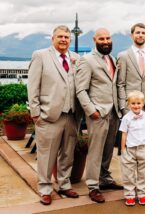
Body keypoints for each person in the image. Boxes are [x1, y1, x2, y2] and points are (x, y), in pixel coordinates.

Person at [27, 25, 80, 205]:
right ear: (52, 38)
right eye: (60, 37)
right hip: (48, 115)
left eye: (66, 37)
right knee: (46, 155)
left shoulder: (76, 58)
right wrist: (36, 114)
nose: (64, 39)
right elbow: (32, 86)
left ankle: (64, 184)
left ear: (70, 40)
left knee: (67, 153)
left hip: (71, 115)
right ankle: (45, 188)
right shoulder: (40, 56)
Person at [75, 28, 122, 203]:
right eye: (102, 38)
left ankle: (104, 178)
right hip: (97, 113)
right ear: (95, 40)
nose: (106, 41)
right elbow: (80, 89)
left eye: (108, 38)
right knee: (95, 151)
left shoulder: (112, 59)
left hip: (113, 112)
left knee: (109, 149)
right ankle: (93, 186)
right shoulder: (86, 60)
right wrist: (91, 111)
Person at [117, 23, 145, 191]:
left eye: (143, 33)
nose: (140, 35)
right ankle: (130, 183)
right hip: (130, 107)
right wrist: (123, 107)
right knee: (129, 149)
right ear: (132, 35)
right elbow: (120, 83)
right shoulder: (123, 56)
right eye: (137, 32)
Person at [119, 90, 145, 206]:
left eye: (138, 103)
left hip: (143, 148)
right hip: (130, 150)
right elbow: (124, 134)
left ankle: (142, 194)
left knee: (144, 173)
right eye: (133, 103)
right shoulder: (126, 118)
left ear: (143, 104)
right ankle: (129, 195)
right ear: (129, 105)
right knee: (128, 174)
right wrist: (123, 150)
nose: (136, 106)